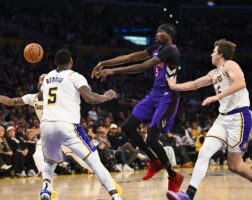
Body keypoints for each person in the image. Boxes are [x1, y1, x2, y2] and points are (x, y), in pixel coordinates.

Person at [92, 23, 183, 192]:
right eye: (156, 30)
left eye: (161, 31)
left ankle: (172, 175)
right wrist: (103, 63)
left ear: (169, 36)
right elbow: (130, 57)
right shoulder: (156, 48)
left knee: (151, 138)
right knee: (127, 127)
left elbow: (143, 66)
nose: (157, 33)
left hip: (168, 97)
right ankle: (154, 161)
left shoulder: (172, 50)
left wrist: (113, 71)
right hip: (155, 93)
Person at [166, 39, 252, 200]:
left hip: (239, 118)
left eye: (214, 51)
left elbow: (240, 83)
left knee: (235, 165)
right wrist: (173, 86)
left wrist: (217, 96)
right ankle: (189, 195)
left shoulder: (230, 65)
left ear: (220, 54)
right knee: (204, 152)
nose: (211, 54)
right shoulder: (214, 73)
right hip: (222, 119)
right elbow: (194, 84)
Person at [39, 49, 122, 200]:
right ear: (71, 61)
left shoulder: (48, 77)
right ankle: (116, 197)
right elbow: (90, 98)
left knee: (49, 161)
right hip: (67, 125)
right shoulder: (75, 76)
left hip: (46, 125)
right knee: (95, 162)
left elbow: (40, 95)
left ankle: (46, 188)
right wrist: (106, 96)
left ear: (55, 62)